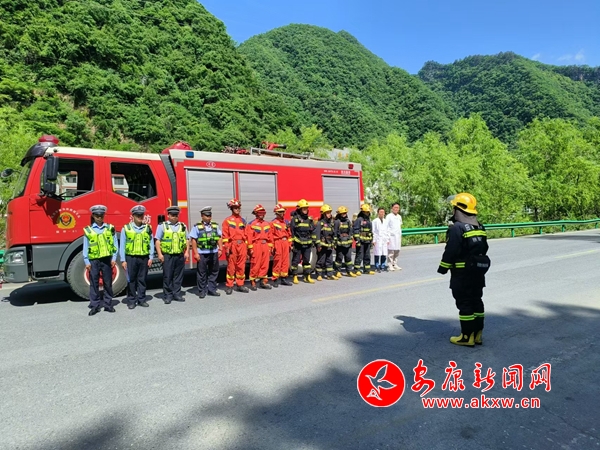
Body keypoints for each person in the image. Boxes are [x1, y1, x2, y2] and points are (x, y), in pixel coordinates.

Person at [437, 193, 490, 347]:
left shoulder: (457, 228)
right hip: (478, 272)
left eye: (454, 208)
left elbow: (451, 250)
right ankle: (477, 335)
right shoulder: (480, 226)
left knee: (465, 303)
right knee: (476, 300)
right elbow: (484, 247)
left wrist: (443, 267)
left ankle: (467, 337)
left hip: (462, 274)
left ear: (458, 209)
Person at [83, 205, 118, 315]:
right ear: (93, 216)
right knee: (94, 283)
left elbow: (115, 244)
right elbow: (85, 246)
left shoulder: (110, 228)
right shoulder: (88, 230)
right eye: (97, 215)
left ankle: (108, 304)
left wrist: (114, 258)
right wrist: (86, 261)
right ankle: (95, 305)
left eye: (101, 215)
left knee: (108, 282)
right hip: (94, 260)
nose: (99, 218)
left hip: (107, 259)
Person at [119, 205, 154, 309]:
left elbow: (151, 242)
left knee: (142, 279)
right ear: (133, 216)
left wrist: (151, 257)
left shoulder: (148, 228)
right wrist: (123, 260)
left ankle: (142, 299)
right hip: (131, 258)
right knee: (131, 280)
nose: (140, 217)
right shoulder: (126, 228)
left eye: (141, 215)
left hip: (144, 258)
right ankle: (131, 300)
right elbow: (122, 245)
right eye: (137, 215)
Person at [155, 206, 189, 304]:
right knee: (167, 276)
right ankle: (168, 295)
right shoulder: (162, 226)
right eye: (172, 215)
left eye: (176, 215)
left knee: (178, 276)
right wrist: (159, 254)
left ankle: (177, 294)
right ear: (168, 215)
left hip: (179, 255)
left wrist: (186, 252)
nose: (174, 217)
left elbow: (187, 239)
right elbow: (157, 240)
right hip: (167, 255)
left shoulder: (183, 226)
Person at [190, 206, 222, 298]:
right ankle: (202, 291)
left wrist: (220, 249)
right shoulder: (197, 226)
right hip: (202, 253)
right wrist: (196, 253)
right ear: (202, 216)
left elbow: (219, 237)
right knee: (202, 273)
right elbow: (193, 240)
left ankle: (212, 289)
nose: (209, 217)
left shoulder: (215, 225)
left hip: (213, 252)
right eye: (207, 216)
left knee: (214, 271)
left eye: (210, 215)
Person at [222, 199, 249, 295]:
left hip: (242, 245)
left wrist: (246, 247)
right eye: (235, 208)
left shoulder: (243, 220)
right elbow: (225, 236)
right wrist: (227, 247)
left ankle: (240, 284)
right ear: (231, 209)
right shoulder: (227, 221)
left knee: (241, 266)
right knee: (231, 267)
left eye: (238, 208)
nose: (237, 209)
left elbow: (246, 234)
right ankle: (229, 285)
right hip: (232, 245)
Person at [246, 204, 274, 290]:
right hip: (256, 245)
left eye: (262, 213)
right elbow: (249, 237)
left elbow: (270, 236)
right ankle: (253, 281)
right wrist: (250, 248)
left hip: (265, 245)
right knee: (255, 264)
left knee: (265, 264)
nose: (261, 214)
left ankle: (263, 281)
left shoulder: (267, 224)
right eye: (259, 213)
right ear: (256, 214)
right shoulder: (251, 224)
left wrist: (270, 247)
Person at [290, 199, 315, 284]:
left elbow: (312, 231)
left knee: (307, 261)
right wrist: (292, 243)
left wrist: (313, 241)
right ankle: (295, 276)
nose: (305, 210)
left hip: (307, 243)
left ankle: (307, 276)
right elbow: (292, 232)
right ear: (300, 209)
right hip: (298, 243)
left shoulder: (309, 219)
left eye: (306, 208)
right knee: (296, 260)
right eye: (304, 209)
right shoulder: (295, 219)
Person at [271, 204, 293, 287]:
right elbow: (271, 235)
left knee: (285, 261)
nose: (282, 213)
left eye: (283, 212)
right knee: (277, 261)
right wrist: (272, 246)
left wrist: (290, 244)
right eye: (280, 212)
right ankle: (275, 279)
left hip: (285, 242)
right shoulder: (273, 223)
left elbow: (289, 234)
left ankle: (284, 278)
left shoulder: (286, 222)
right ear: (276, 213)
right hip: (278, 242)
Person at [314, 204, 337, 280]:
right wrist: (318, 245)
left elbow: (333, 234)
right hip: (322, 245)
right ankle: (319, 275)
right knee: (321, 260)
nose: (329, 214)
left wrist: (333, 243)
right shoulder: (320, 223)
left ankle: (329, 275)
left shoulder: (331, 223)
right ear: (323, 214)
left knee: (329, 260)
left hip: (329, 245)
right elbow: (317, 235)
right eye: (327, 213)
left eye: (330, 212)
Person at [333, 206, 356, 278]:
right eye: (342, 213)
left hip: (347, 243)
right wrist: (335, 242)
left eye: (345, 213)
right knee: (339, 258)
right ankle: (337, 272)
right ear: (339, 214)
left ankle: (349, 271)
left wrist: (350, 238)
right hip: (340, 243)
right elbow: (335, 232)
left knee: (348, 258)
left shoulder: (348, 221)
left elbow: (350, 231)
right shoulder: (337, 222)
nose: (344, 214)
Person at [353, 204, 376, 275]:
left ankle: (367, 270)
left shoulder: (368, 220)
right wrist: (357, 241)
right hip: (361, 241)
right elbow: (356, 230)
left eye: (368, 212)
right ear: (363, 212)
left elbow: (370, 231)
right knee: (359, 255)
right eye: (367, 212)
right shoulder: (359, 220)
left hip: (367, 241)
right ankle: (356, 269)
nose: (368, 213)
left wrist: (371, 241)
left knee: (367, 256)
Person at [372, 207, 390, 272]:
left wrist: (388, 239)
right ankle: (377, 266)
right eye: (380, 212)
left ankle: (383, 265)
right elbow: (373, 231)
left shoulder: (386, 221)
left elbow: (388, 230)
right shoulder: (375, 221)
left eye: (383, 212)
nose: (382, 213)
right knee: (377, 253)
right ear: (378, 213)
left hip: (384, 239)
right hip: (377, 239)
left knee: (384, 253)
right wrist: (374, 240)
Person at [386, 203, 403, 270]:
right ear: (392, 208)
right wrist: (387, 237)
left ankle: (395, 264)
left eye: (397, 208)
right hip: (391, 236)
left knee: (397, 251)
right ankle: (390, 264)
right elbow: (386, 227)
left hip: (398, 236)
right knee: (391, 251)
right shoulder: (389, 216)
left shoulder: (399, 217)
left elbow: (400, 226)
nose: (396, 209)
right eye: (395, 207)